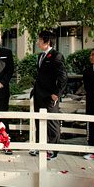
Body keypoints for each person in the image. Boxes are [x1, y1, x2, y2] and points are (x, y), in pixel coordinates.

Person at [29, 30, 67, 160]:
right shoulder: (41, 56)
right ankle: (41, 148)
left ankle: (53, 150)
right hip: (39, 94)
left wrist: (57, 94)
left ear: (47, 41)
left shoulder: (56, 56)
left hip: (50, 96)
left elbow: (62, 77)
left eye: (40, 40)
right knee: (39, 123)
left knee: (52, 123)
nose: (38, 42)